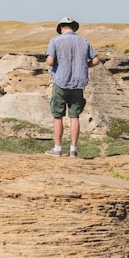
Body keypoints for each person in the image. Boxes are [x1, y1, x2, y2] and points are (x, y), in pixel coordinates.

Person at [45, 18, 99, 157]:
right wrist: (84, 66)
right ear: (74, 28)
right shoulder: (84, 41)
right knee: (74, 116)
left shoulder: (55, 41)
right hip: (78, 83)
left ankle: (57, 149)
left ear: (62, 28)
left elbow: (50, 61)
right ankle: (73, 150)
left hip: (61, 82)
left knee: (58, 116)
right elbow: (96, 60)